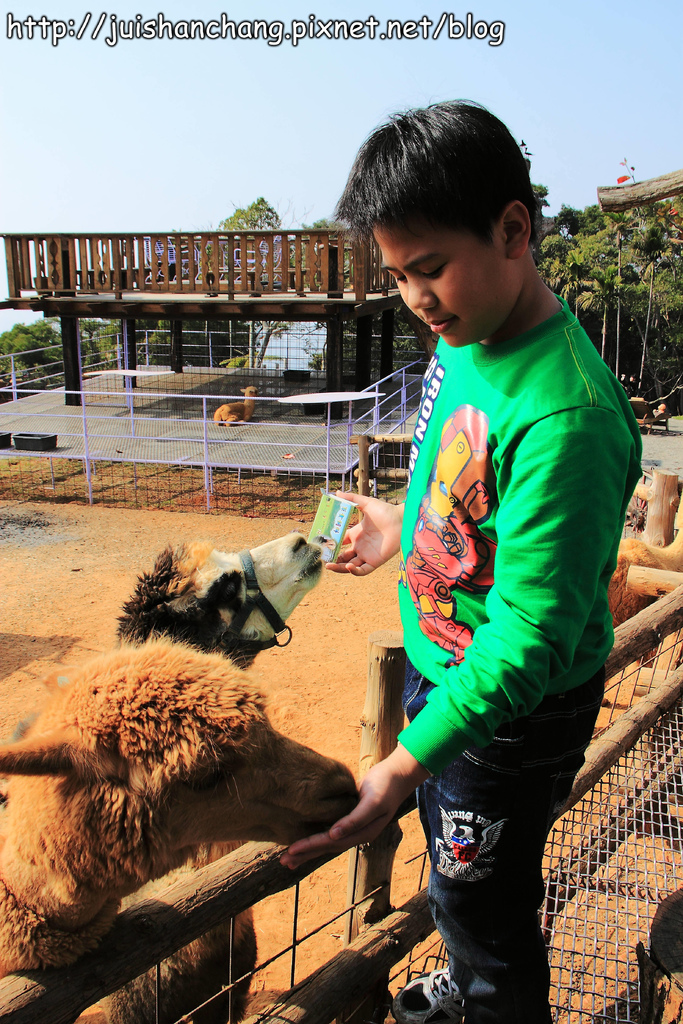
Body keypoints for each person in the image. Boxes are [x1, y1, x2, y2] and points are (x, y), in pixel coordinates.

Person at [280, 101, 642, 1024]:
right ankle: (472, 974)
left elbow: (527, 637)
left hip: (508, 715)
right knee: (456, 869)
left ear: (513, 229)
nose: (415, 300)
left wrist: (403, 765)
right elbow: (463, 485)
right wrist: (403, 526)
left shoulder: (567, 416)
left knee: (480, 899)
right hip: (447, 682)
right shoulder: (464, 341)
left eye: (430, 269)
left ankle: (492, 1002)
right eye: (399, 276)